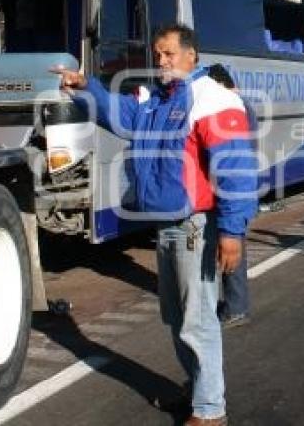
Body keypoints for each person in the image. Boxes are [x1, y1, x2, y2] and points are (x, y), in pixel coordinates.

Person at [54, 24, 257, 425]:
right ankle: (199, 389)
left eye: (169, 54)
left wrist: (232, 233)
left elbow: (235, 169)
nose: (161, 62)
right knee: (178, 318)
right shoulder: (156, 102)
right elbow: (118, 113)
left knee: (197, 321)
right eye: (158, 54)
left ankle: (211, 411)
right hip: (166, 227)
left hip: (194, 227)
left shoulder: (211, 99)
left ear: (191, 56)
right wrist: (85, 87)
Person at [206, 63, 253, 329]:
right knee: (231, 245)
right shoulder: (238, 104)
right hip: (234, 188)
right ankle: (235, 304)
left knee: (231, 246)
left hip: (232, 190)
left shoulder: (234, 107)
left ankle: (236, 307)